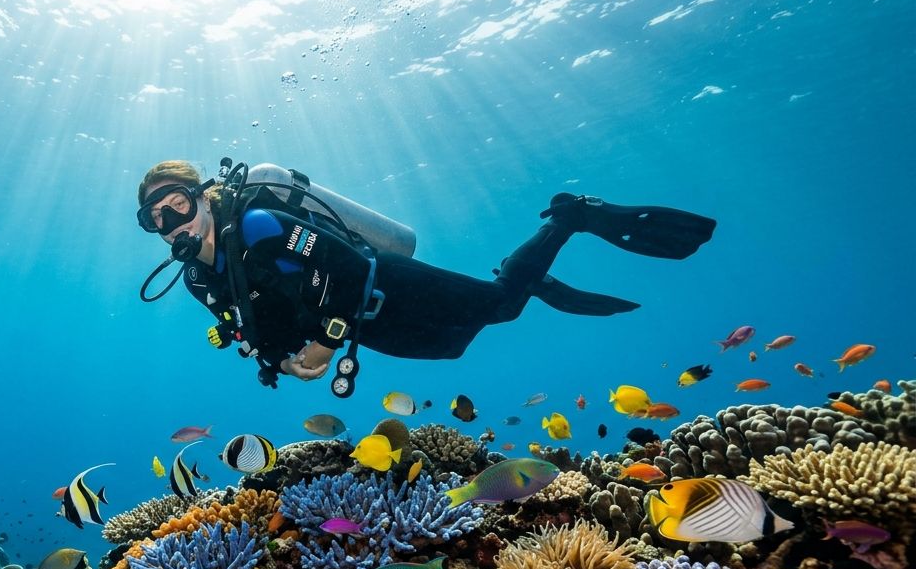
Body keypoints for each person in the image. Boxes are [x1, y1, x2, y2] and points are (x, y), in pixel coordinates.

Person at [135, 158, 715, 395]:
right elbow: (252, 328)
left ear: (204, 199)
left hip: (387, 284)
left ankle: (571, 216)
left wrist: (320, 343)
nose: (169, 223)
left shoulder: (259, 223)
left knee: (501, 305)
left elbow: (343, 262)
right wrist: (281, 360)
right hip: (371, 331)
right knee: (454, 348)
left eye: (178, 205)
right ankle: (531, 281)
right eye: (154, 218)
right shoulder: (197, 281)